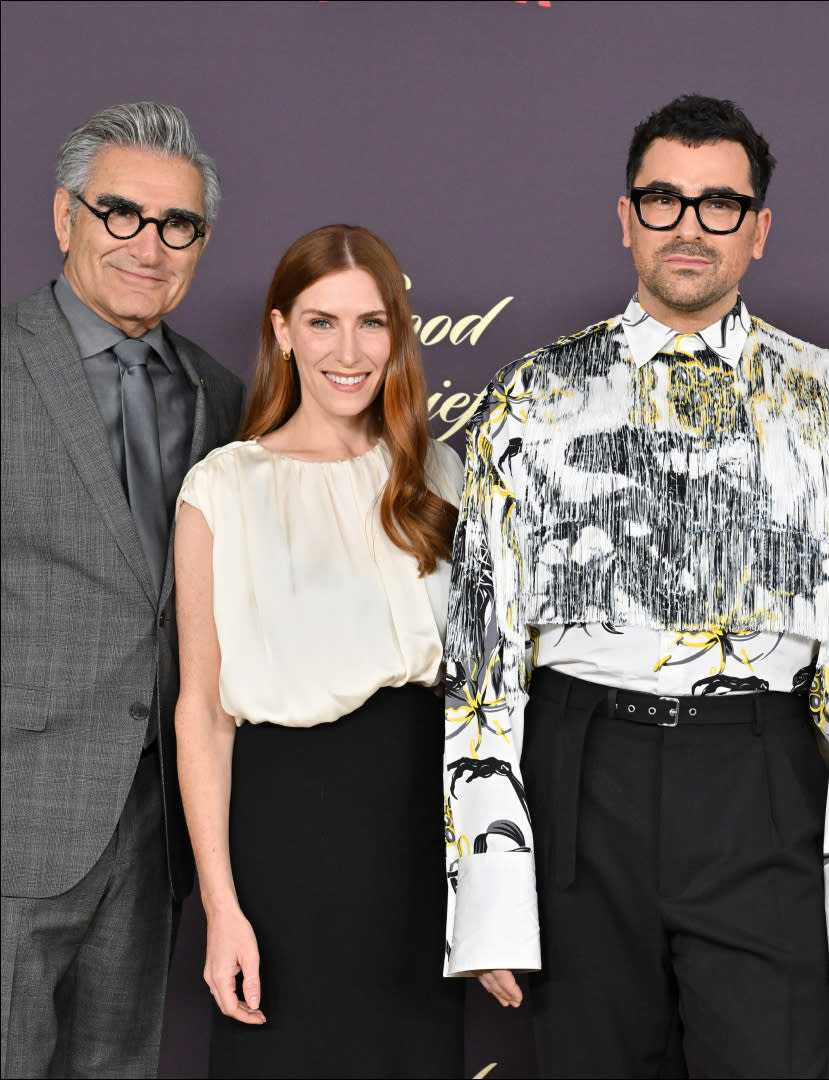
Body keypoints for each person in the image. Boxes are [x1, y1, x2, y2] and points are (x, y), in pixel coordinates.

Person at [441, 93, 829, 1077]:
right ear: (625, 219)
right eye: (663, 200)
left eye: (719, 204)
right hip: (582, 784)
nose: (690, 227)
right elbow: (481, 657)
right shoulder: (530, 399)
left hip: (762, 787)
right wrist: (486, 890)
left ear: (759, 230)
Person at [174, 224, 466, 1078]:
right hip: (285, 839)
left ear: (397, 335)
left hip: (420, 838)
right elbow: (202, 712)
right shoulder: (224, 486)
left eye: (372, 323)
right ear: (281, 332)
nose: (349, 349)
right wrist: (222, 908)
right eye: (321, 322)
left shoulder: (440, 477)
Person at [1, 102, 244, 1078]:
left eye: (176, 223)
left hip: (154, 838)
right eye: (122, 215)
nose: (150, 244)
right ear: (65, 218)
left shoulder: (223, 396)